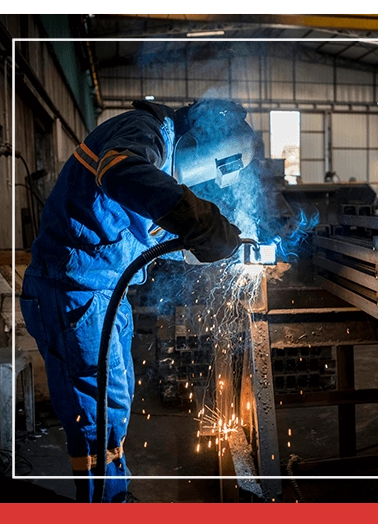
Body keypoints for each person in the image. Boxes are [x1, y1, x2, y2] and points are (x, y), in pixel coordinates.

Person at [20, 98, 256, 502]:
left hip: (104, 291)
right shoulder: (147, 134)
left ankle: (115, 494)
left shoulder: (160, 160)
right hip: (73, 291)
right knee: (97, 413)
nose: (202, 186)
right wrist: (196, 219)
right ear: (205, 144)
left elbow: (156, 232)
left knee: (117, 398)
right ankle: (106, 504)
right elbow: (120, 171)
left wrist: (225, 243)